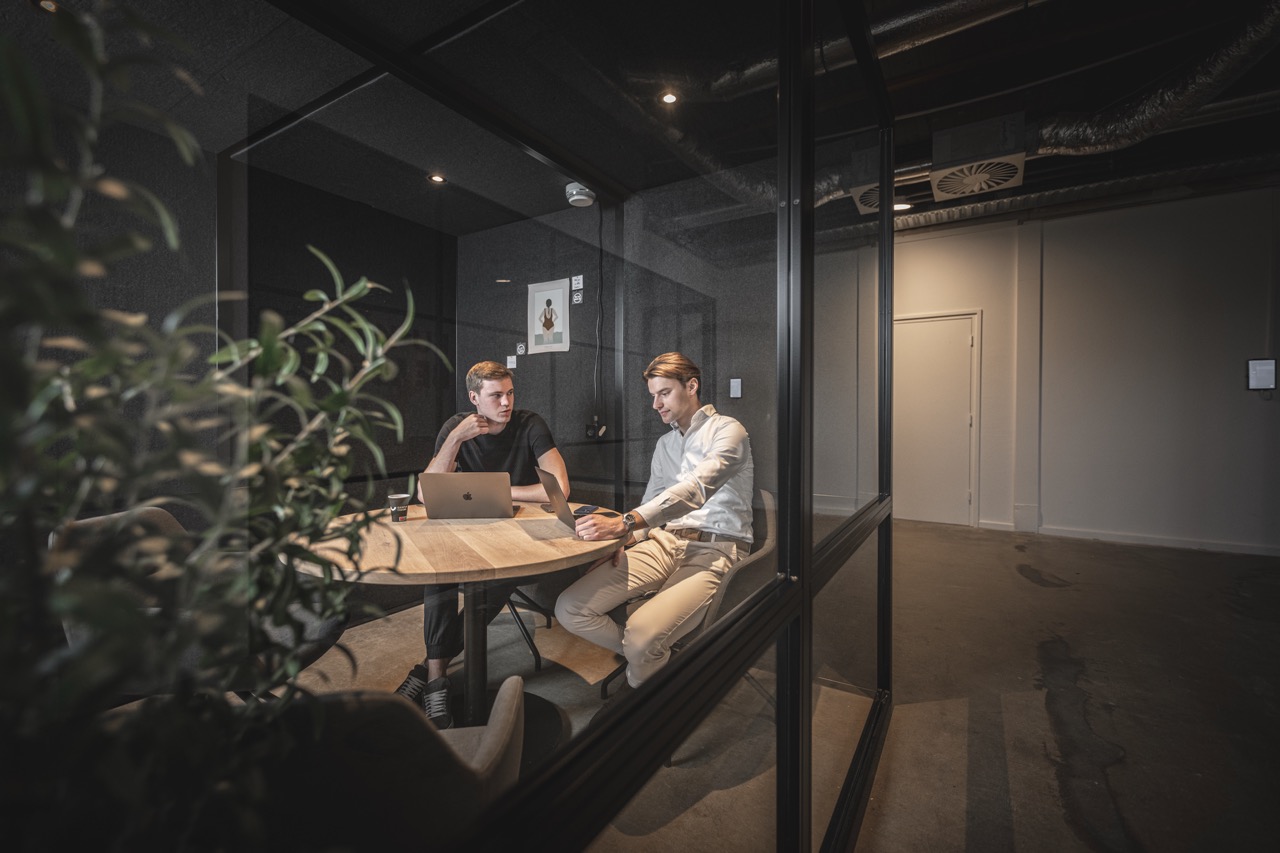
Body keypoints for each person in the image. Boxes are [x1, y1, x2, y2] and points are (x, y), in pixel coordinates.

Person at [555, 352, 753, 705]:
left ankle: (640, 694)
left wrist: (624, 522)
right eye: (652, 395)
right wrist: (624, 539)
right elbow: (653, 502)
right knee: (569, 607)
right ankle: (655, 662)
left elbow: (694, 491)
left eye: (663, 393)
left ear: (691, 386)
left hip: (714, 547)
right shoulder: (665, 444)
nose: (654, 404)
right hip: (663, 543)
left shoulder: (729, 430)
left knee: (642, 636)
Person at [395, 360, 569, 728]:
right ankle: (437, 678)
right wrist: (457, 438)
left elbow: (558, 491)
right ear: (474, 398)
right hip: (465, 530)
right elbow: (425, 493)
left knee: (498, 578)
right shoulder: (455, 428)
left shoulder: (530, 424)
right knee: (438, 572)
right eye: (495, 396)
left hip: (515, 535)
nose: (505, 403)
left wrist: (497, 490)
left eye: (509, 394)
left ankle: (431, 676)